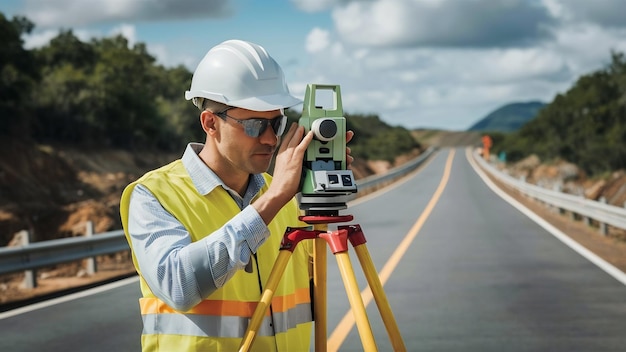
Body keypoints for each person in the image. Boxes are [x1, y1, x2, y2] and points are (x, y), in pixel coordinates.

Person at [120, 39, 354, 351]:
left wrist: (316, 195)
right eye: (256, 125)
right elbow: (178, 285)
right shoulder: (154, 195)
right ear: (210, 123)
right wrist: (274, 199)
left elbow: (312, 285)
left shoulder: (283, 197)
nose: (271, 138)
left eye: (277, 123)